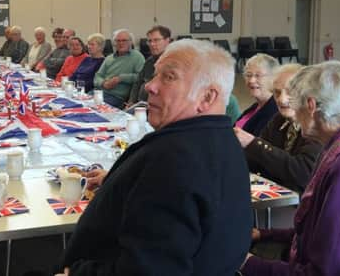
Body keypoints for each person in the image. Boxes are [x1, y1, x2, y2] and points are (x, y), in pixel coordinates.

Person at [61, 39, 252, 275]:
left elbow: (149, 269)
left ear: (206, 98)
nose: (150, 86)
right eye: (155, 76)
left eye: (169, 77)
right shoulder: (219, 139)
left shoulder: (174, 159)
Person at [242, 61, 340, 276]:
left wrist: (250, 264)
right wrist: (265, 234)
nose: (288, 106)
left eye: (293, 99)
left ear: (311, 105)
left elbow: (325, 271)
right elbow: (317, 232)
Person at [235, 64, 322, 193]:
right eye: (277, 92)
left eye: (290, 92)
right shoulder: (279, 119)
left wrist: (253, 143)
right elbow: (256, 160)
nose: (282, 99)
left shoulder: (317, 124)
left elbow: (302, 173)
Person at [93, 29, 145, 108]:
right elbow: (97, 76)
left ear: (131, 42)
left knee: (92, 110)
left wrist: (121, 78)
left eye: (124, 40)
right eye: (118, 41)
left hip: (116, 97)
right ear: (114, 43)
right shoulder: (109, 58)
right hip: (100, 92)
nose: (121, 43)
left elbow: (141, 78)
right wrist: (103, 83)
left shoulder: (137, 57)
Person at [234, 54, 279, 137]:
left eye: (258, 75)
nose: (251, 80)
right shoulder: (256, 106)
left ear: (273, 78)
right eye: (248, 75)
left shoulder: (274, 111)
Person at [127, 25, 171, 106]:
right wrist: (131, 101)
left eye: (156, 40)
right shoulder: (149, 61)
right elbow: (137, 82)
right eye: (150, 41)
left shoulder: (173, 62)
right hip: (140, 106)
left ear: (167, 40)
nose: (152, 44)